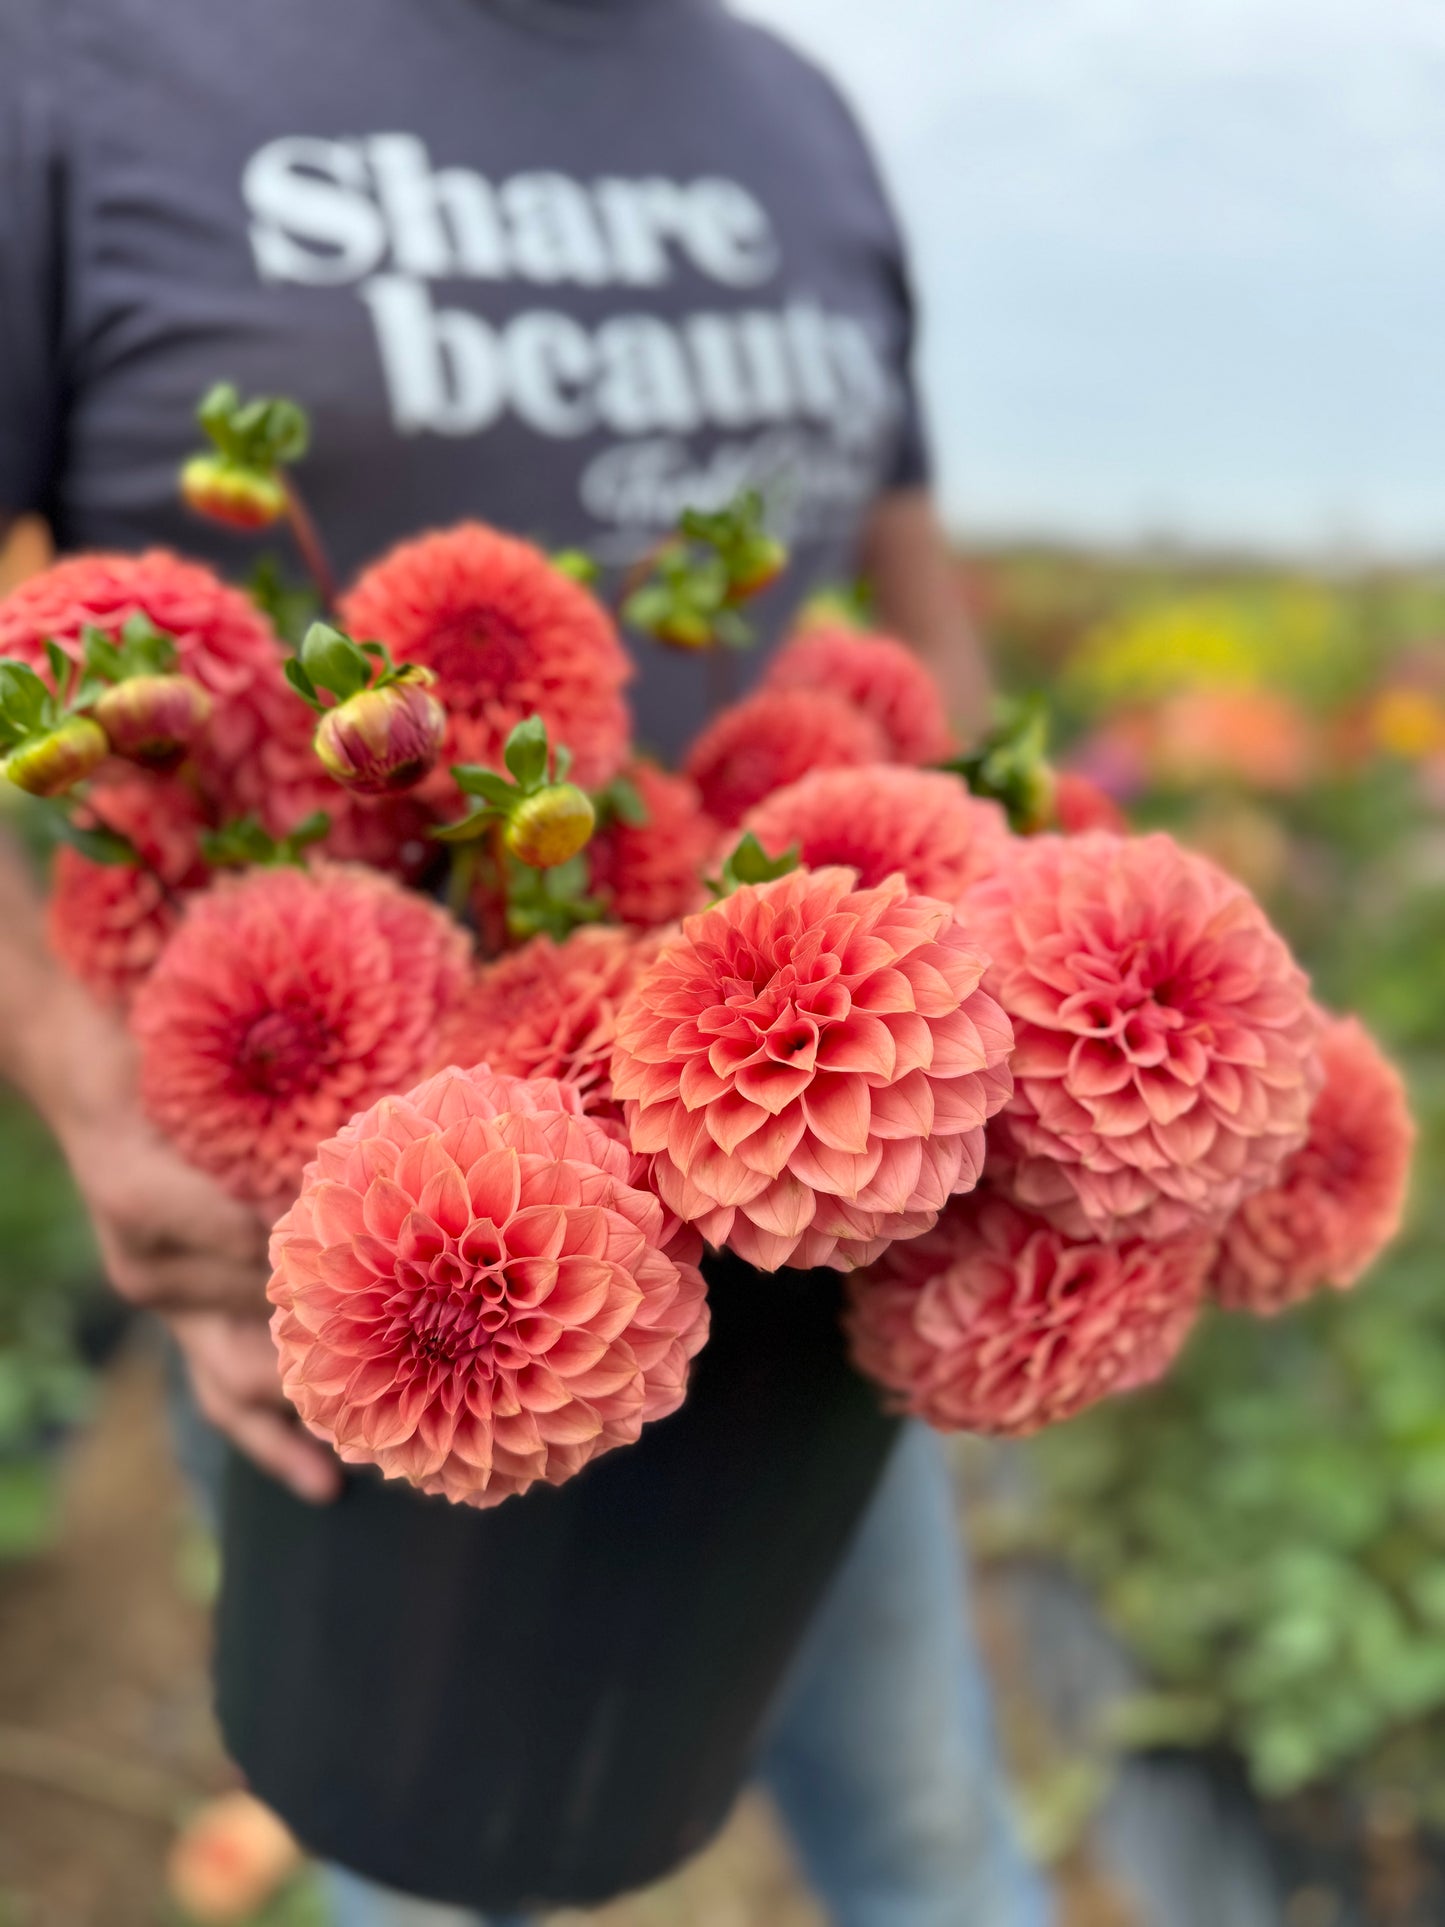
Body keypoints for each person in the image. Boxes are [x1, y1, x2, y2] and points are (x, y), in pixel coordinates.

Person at [0, 0, 1049, 1921]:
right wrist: (87, 1085)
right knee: (426, 1837)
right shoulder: (79, 66)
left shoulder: (794, 113)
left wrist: (1025, 963)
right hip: (370, 1214)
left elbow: (917, 599)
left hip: (829, 1164)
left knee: (920, 1821)